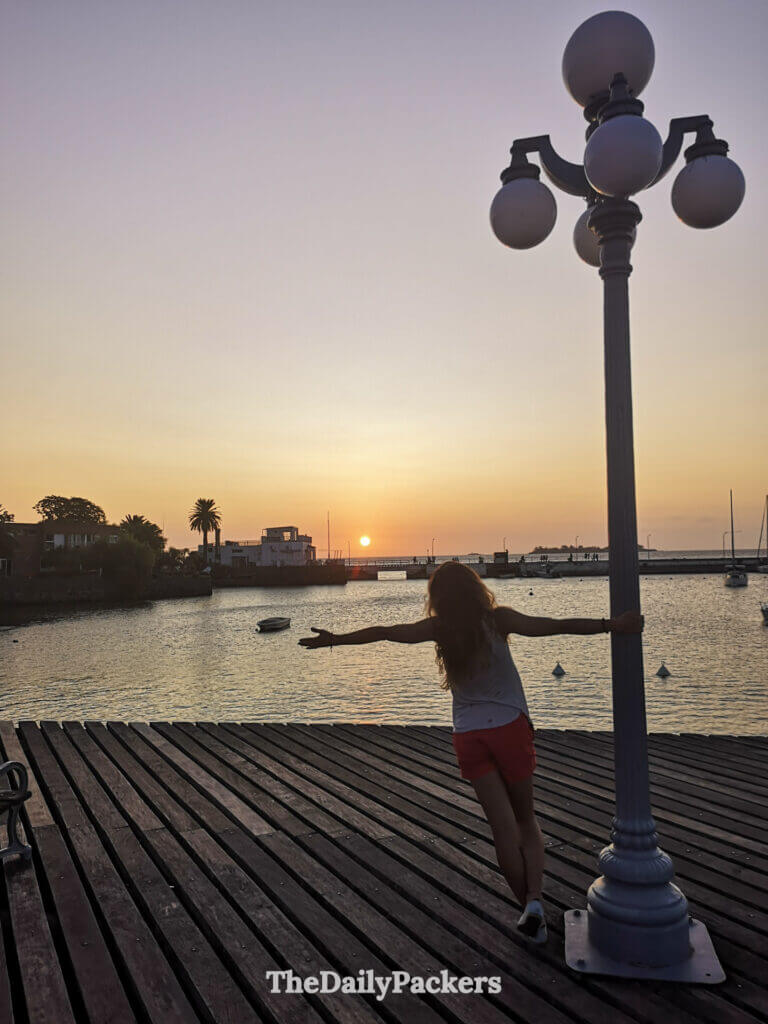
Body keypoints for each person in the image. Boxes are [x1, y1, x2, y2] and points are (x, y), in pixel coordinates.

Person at [298, 561, 643, 946]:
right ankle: (533, 899)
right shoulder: (499, 620)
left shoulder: (439, 629)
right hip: (509, 728)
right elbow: (554, 625)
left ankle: (532, 914)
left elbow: (384, 633)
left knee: (502, 831)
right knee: (526, 822)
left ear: (438, 599)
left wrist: (334, 640)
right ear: (477, 589)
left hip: (469, 735)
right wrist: (613, 625)